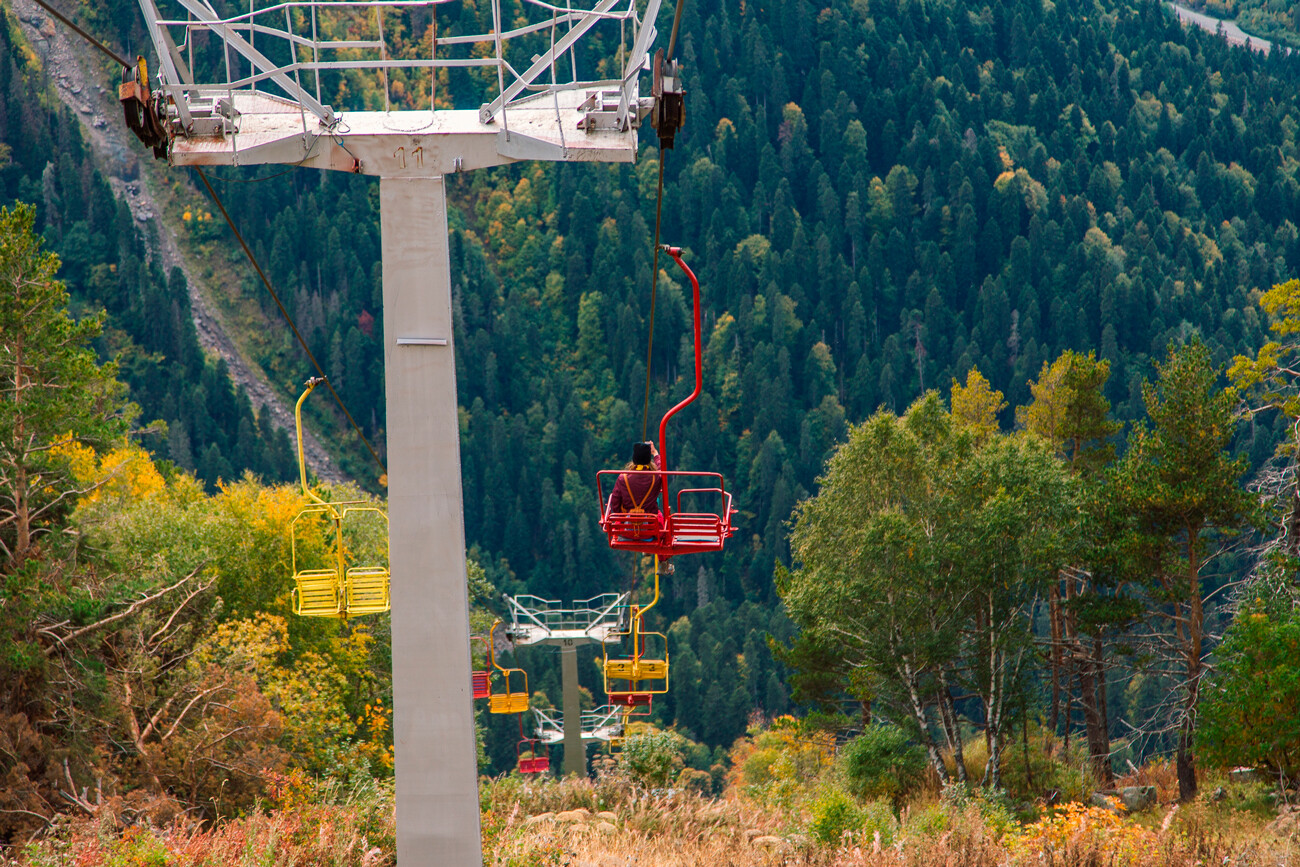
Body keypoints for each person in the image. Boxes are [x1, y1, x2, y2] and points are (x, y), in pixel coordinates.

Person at [606, 441, 663, 517]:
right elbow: (662, 470)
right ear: (649, 459)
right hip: (651, 521)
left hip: (628, 521)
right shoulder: (655, 478)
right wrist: (655, 453)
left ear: (634, 459)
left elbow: (615, 502)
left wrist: (623, 516)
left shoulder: (623, 478)